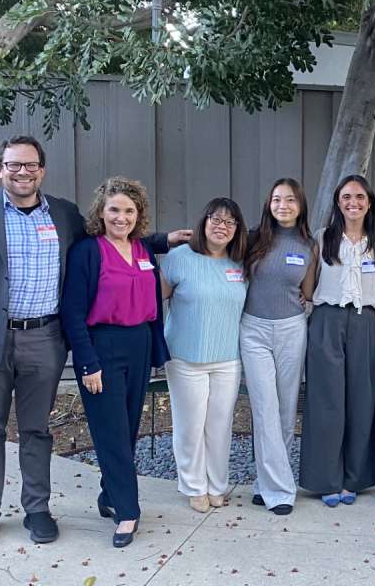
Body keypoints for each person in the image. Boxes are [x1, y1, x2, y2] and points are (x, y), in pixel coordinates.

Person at [0, 137, 182, 549]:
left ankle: (37, 508)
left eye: (30, 165)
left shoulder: (63, 214)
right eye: (14, 165)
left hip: (45, 337)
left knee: (37, 429)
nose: (22, 172)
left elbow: (118, 237)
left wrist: (167, 240)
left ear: (42, 169)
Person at [61, 177, 172, 548]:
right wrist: (87, 363)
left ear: (138, 214)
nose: (121, 217)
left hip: (138, 343)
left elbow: (155, 306)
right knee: (110, 433)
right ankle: (128, 510)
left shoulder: (142, 250)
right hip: (101, 347)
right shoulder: (88, 252)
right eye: (114, 209)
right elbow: (73, 313)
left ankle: (109, 495)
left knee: (126, 428)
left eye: (128, 210)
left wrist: (157, 352)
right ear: (101, 211)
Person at [299, 175, 375, 507]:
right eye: (346, 197)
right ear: (338, 202)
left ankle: (354, 478)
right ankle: (326, 479)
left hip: (365, 323)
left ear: (369, 203)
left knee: (361, 399)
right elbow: (308, 286)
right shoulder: (321, 239)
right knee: (327, 400)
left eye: (360, 197)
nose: (353, 202)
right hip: (327, 320)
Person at [161, 198, 248, 513]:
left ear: (237, 230)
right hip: (186, 358)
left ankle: (217, 485)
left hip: (227, 357)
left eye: (230, 221)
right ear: (203, 221)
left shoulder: (240, 264)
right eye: (216, 219)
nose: (222, 226)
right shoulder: (178, 259)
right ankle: (194, 485)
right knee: (190, 424)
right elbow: (155, 301)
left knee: (220, 425)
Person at [241, 178, 317, 516]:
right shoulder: (253, 239)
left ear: (300, 205)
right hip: (253, 330)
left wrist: (306, 301)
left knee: (286, 409)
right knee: (264, 407)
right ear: (268, 204)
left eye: (289, 200)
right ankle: (280, 491)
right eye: (276, 199)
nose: (282, 205)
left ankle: (265, 481)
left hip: (290, 329)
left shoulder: (309, 246)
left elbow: (309, 293)